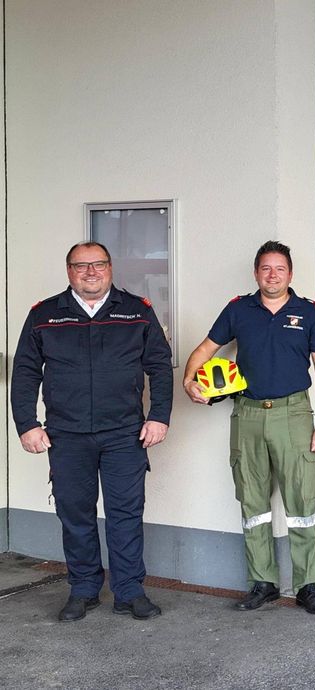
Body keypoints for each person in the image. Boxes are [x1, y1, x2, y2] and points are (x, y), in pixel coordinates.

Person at [11, 241, 172, 621]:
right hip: (66, 435)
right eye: (81, 266)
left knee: (125, 513)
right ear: (69, 271)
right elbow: (25, 372)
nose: (90, 272)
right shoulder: (44, 315)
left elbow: (160, 366)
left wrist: (159, 415)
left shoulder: (136, 311)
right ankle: (83, 589)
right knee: (75, 514)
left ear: (110, 268)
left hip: (125, 434)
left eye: (98, 264)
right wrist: (27, 424)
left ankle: (129, 591)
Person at [182, 241, 315, 615]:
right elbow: (205, 349)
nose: (272, 275)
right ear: (256, 273)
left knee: (303, 500)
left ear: (290, 274)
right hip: (248, 414)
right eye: (265, 268)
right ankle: (262, 582)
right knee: (253, 501)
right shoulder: (238, 310)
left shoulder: (308, 312)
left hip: (294, 414)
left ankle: (307, 584)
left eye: (279, 269)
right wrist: (189, 380)